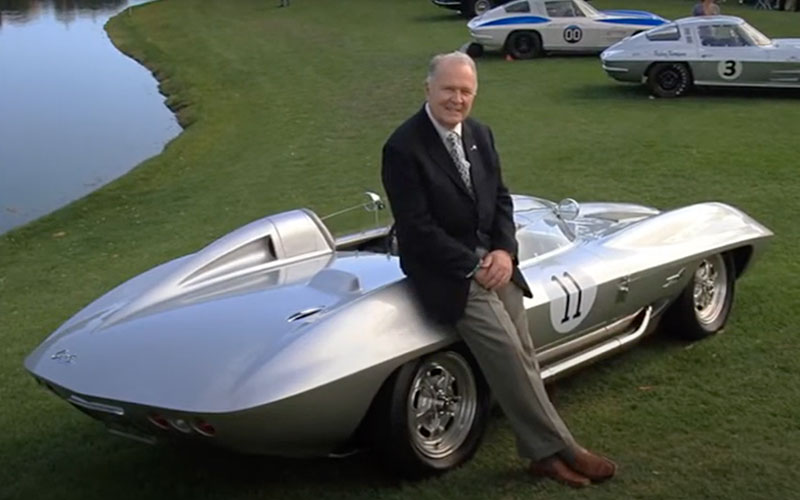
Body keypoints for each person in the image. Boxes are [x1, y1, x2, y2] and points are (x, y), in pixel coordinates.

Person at [380, 51, 616, 488]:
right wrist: (472, 264)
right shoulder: (403, 147)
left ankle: (538, 455)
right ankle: (564, 449)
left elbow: (502, 200)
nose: (457, 99)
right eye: (449, 89)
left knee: (523, 353)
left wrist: (505, 252)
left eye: (466, 91)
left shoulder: (480, 135)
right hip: (446, 274)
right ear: (427, 89)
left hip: (495, 264)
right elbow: (417, 230)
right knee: (508, 356)